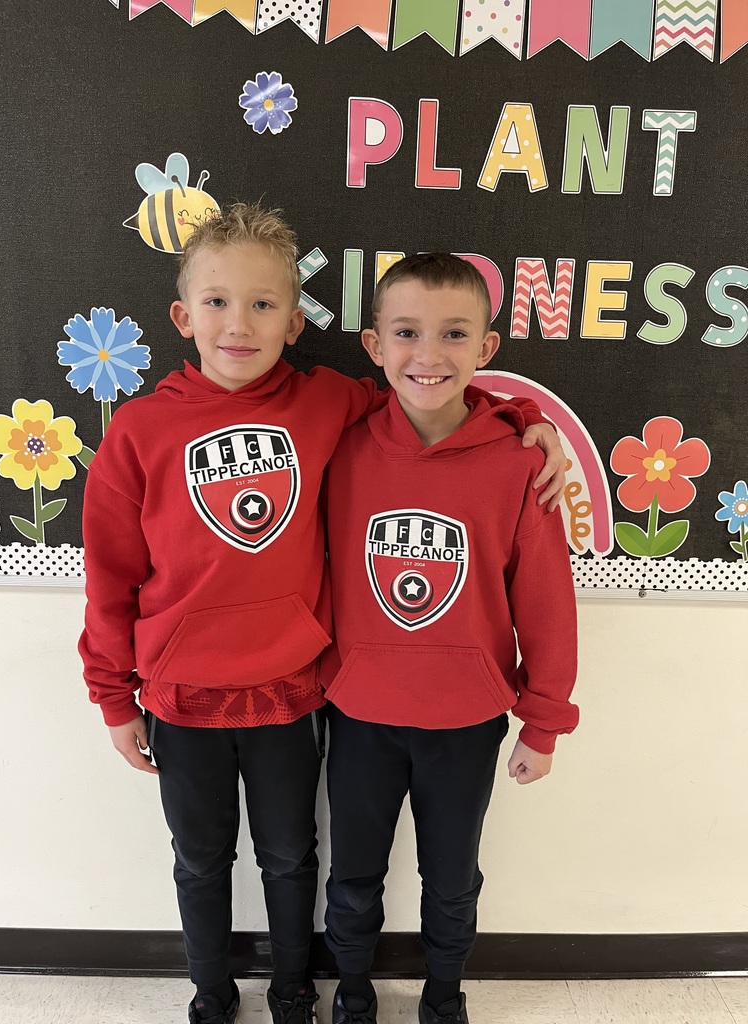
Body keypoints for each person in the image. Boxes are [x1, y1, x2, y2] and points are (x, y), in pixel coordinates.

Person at [79, 205, 566, 1024]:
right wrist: (111, 694)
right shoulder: (139, 430)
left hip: (291, 689)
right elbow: (111, 576)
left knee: (293, 856)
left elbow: (437, 408)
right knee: (200, 861)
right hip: (182, 693)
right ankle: (209, 991)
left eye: (264, 305)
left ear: (296, 321)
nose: (239, 324)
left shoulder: (329, 403)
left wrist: (527, 420)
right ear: (183, 315)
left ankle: (297, 988)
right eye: (218, 303)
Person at [321, 253, 579, 1024]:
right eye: (406, 332)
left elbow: (546, 603)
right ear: (374, 345)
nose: (428, 355)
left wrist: (545, 718)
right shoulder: (340, 445)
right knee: (354, 874)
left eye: (453, 334)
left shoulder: (520, 463)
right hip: (360, 712)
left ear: (485, 349)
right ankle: (355, 993)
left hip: (467, 721)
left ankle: (443, 995)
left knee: (452, 876)